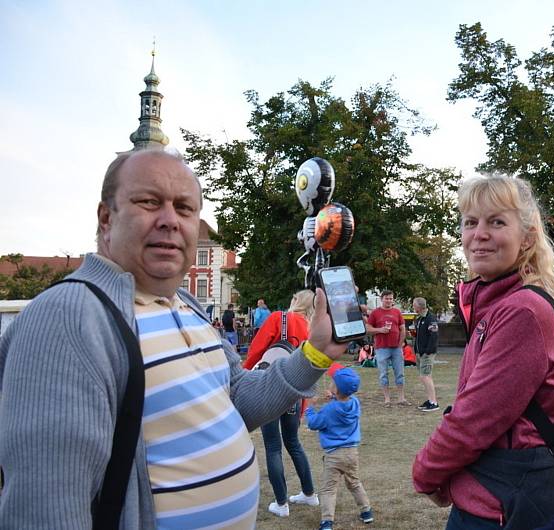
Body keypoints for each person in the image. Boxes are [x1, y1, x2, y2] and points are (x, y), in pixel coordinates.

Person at [0, 149, 348, 529]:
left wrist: (314, 353)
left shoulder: (183, 303)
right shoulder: (68, 317)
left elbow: (237, 398)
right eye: (149, 202)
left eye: (185, 209)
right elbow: (45, 510)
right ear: (106, 218)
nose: (169, 220)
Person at [413, 175, 554, 529]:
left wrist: (426, 472)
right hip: (488, 495)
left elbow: (475, 419)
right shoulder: (496, 303)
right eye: (470, 222)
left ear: (527, 237)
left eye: (497, 222)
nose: (479, 234)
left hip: (502, 507)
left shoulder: (521, 310)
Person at [241, 290, 319, 517]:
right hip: (294, 392)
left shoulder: (279, 318)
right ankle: (309, 493)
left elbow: (256, 349)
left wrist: (244, 375)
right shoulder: (311, 330)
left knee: (273, 446)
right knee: (293, 443)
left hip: (270, 387)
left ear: (296, 300)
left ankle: (281, 502)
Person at [306, 367, 374, 530]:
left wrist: (309, 408)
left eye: (333, 382)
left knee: (329, 488)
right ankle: (366, 512)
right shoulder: (355, 403)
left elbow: (314, 423)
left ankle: (327, 521)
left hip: (334, 456)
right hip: (352, 453)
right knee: (354, 483)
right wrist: (335, 397)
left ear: (337, 388)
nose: (330, 383)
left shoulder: (330, 410)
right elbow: (342, 405)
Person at [365, 290, 409, 406]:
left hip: (396, 348)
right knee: (383, 373)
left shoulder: (397, 312)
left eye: (391, 298)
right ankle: (387, 399)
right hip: (381, 348)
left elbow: (403, 329)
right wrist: (380, 330)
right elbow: (368, 328)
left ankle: (401, 398)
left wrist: (400, 344)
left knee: (399, 373)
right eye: (387, 298)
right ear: (382, 299)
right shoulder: (375, 313)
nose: (389, 300)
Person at [412, 296, 440, 412]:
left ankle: (434, 402)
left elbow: (434, 336)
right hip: (420, 353)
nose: (413, 307)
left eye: (414, 305)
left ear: (419, 306)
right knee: (423, 376)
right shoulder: (419, 319)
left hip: (427, 354)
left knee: (426, 376)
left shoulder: (430, 318)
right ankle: (429, 400)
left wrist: (427, 351)